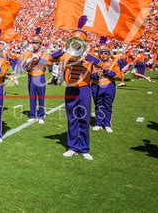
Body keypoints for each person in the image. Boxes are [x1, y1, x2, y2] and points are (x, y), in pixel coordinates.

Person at [50, 16, 100, 161]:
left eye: (80, 42)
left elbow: (100, 65)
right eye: (74, 41)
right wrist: (62, 51)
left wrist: (87, 56)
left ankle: (84, 148)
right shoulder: (66, 54)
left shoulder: (90, 56)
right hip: (70, 89)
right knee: (71, 119)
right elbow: (49, 59)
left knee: (83, 119)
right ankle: (72, 147)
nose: (77, 44)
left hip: (84, 89)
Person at [90, 37, 121, 133]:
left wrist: (108, 72)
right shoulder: (94, 63)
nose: (103, 55)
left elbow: (118, 76)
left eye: (105, 53)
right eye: (101, 53)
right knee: (98, 105)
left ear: (108, 54)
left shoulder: (113, 63)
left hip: (109, 86)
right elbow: (89, 75)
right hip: (96, 86)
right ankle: (98, 123)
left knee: (108, 105)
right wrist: (96, 74)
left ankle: (107, 124)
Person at [21, 28, 49, 124]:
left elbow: (46, 63)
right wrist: (27, 62)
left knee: (41, 97)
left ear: (41, 44)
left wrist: (38, 58)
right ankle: (33, 115)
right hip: (31, 77)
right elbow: (23, 65)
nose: (35, 44)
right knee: (32, 97)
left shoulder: (44, 53)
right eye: (34, 42)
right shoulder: (28, 53)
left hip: (40, 77)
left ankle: (41, 116)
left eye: (37, 43)